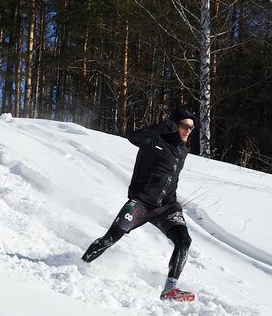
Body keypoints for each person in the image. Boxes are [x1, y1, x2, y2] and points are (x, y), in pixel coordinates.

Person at [81, 107, 198, 302]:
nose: (188, 130)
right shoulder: (154, 141)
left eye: (191, 128)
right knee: (111, 238)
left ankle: (170, 288)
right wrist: (162, 127)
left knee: (184, 241)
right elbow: (133, 137)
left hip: (167, 207)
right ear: (173, 125)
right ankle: (80, 265)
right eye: (184, 126)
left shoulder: (183, 150)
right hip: (142, 203)